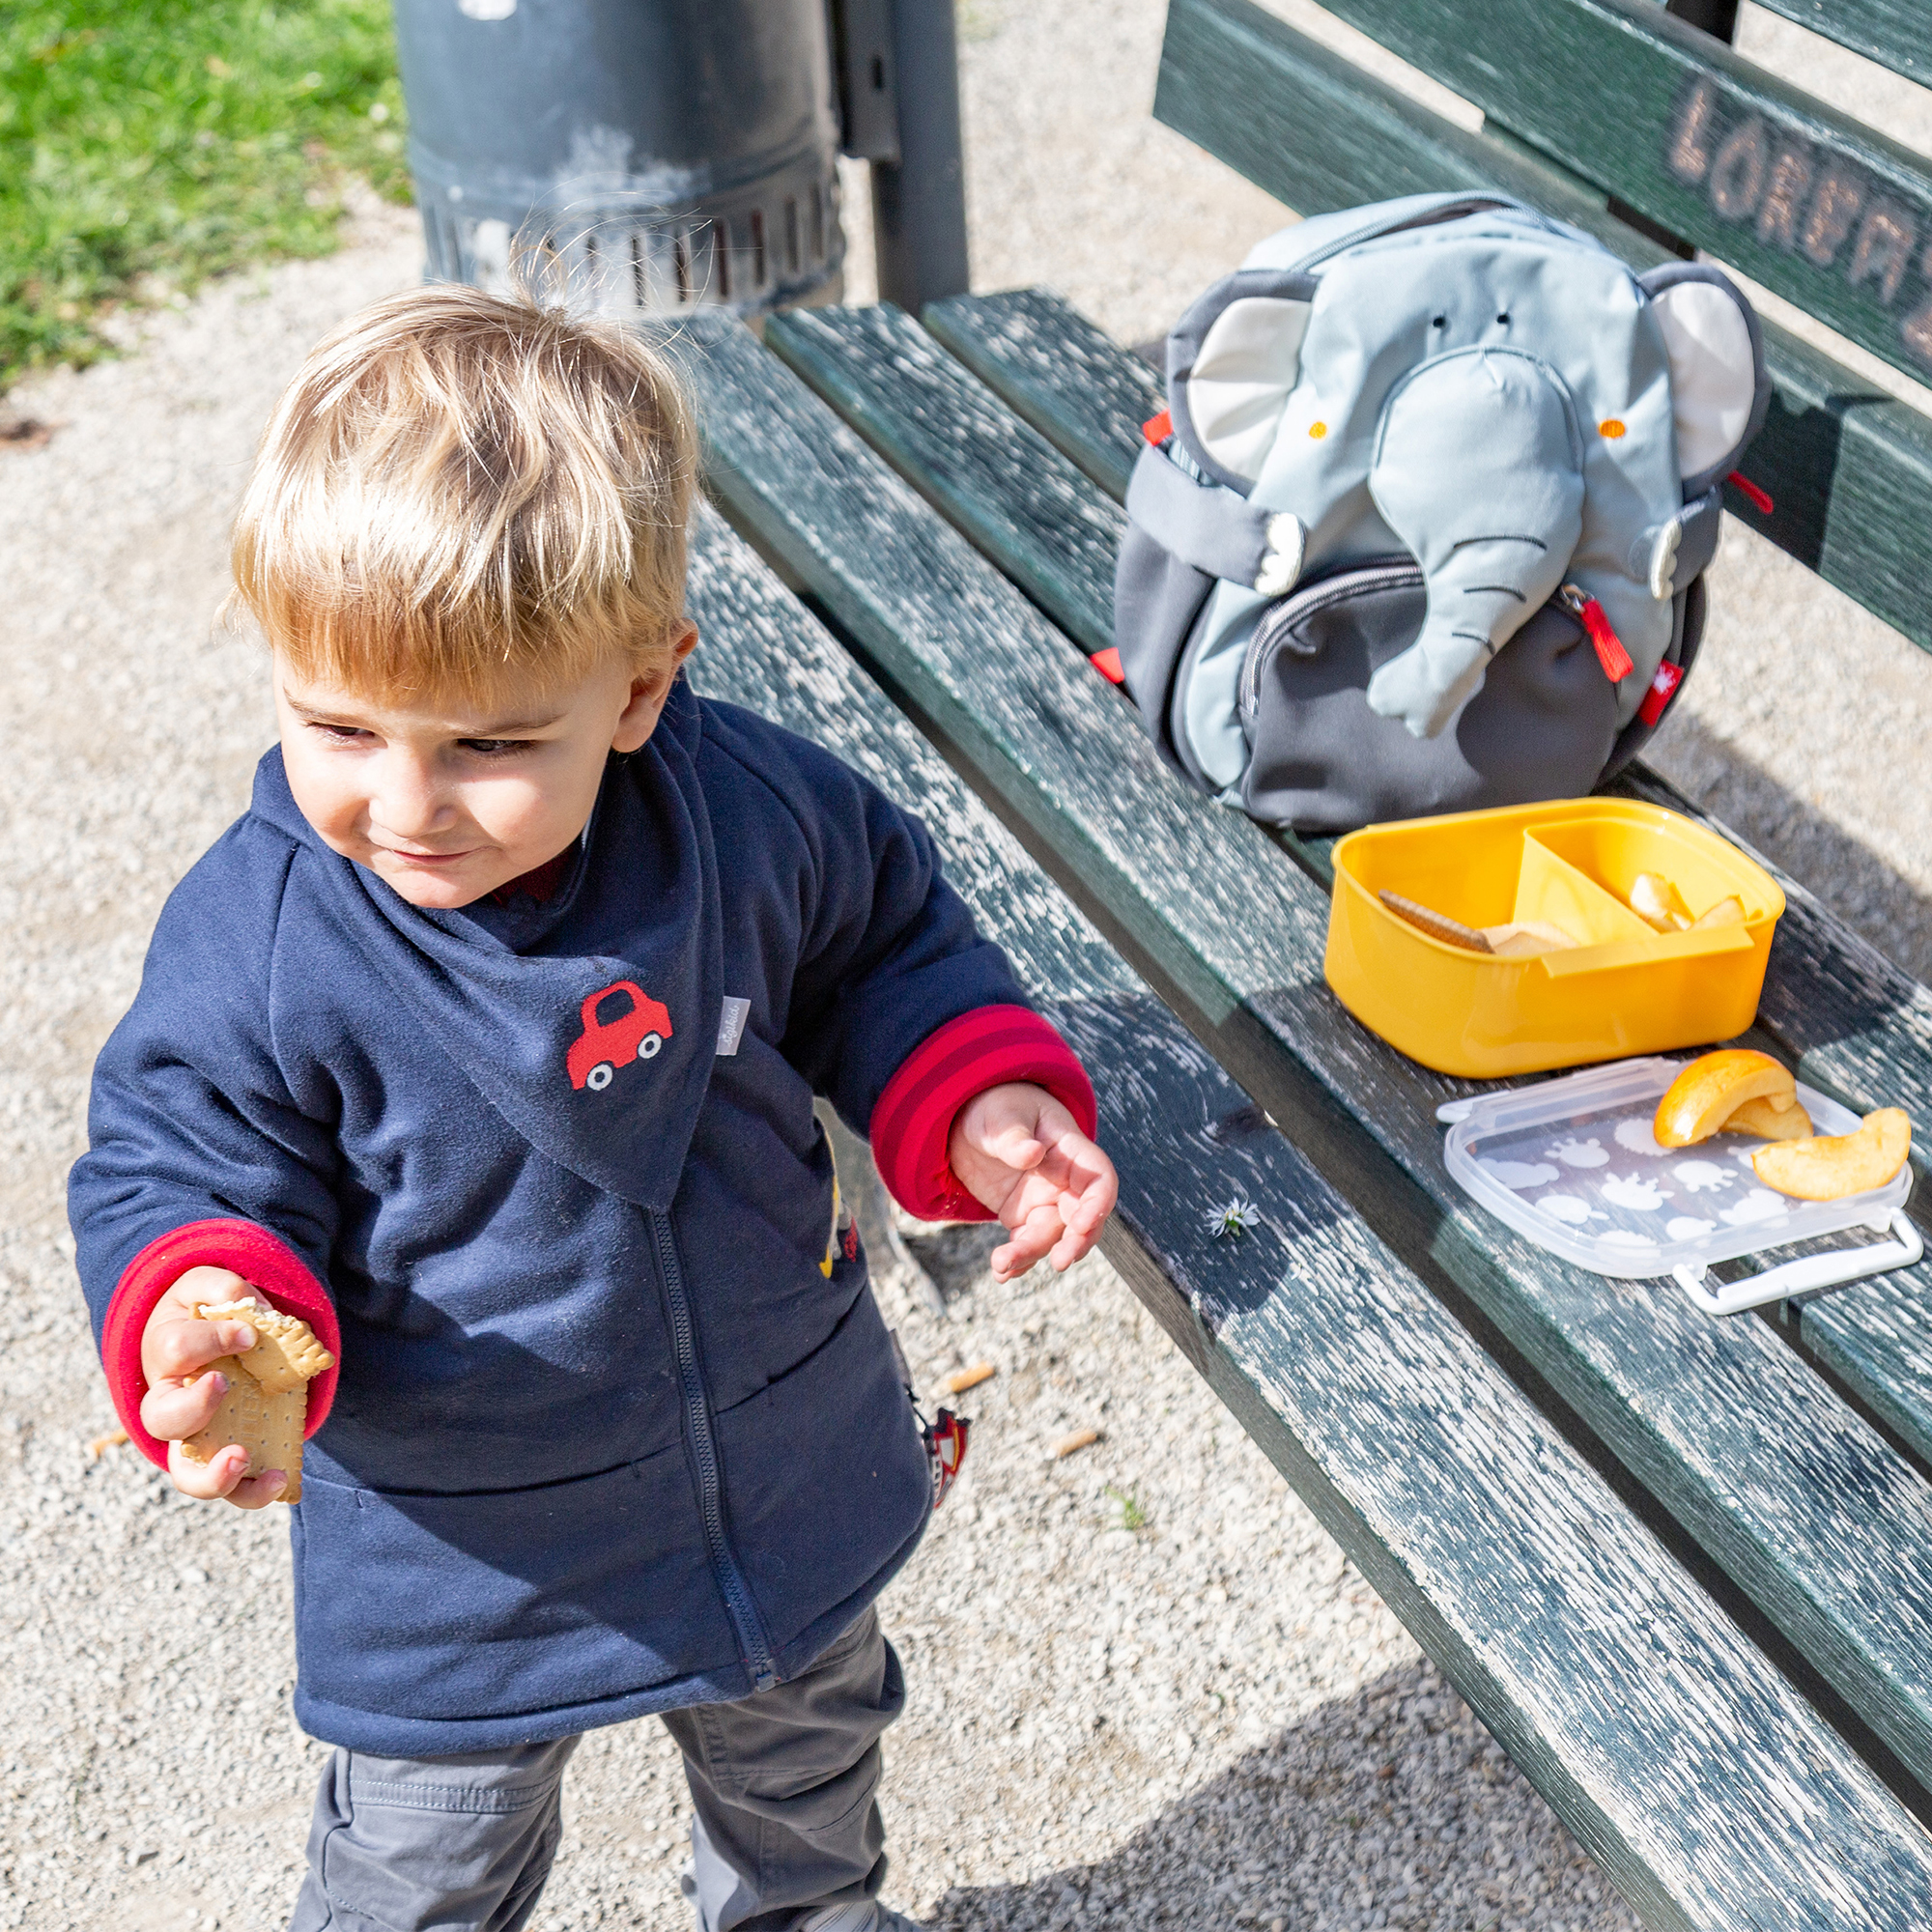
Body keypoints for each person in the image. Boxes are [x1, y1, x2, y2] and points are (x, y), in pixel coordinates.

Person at [69, 282, 1118, 1932]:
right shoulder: (269, 937)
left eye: (490, 741)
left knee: (808, 1769)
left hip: (774, 1448)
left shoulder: (747, 812)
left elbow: (880, 943)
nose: (404, 804)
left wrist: (975, 1097)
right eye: (338, 724)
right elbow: (178, 1146)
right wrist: (206, 1291)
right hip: (466, 1546)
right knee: (427, 1858)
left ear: (639, 691)